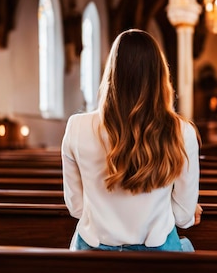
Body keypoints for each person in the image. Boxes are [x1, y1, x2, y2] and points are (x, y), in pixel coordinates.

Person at [61, 29, 202, 252]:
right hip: (155, 258)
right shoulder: (181, 131)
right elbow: (184, 218)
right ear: (159, 77)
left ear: (112, 74)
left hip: (93, 257)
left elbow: (77, 208)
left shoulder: (76, 128)